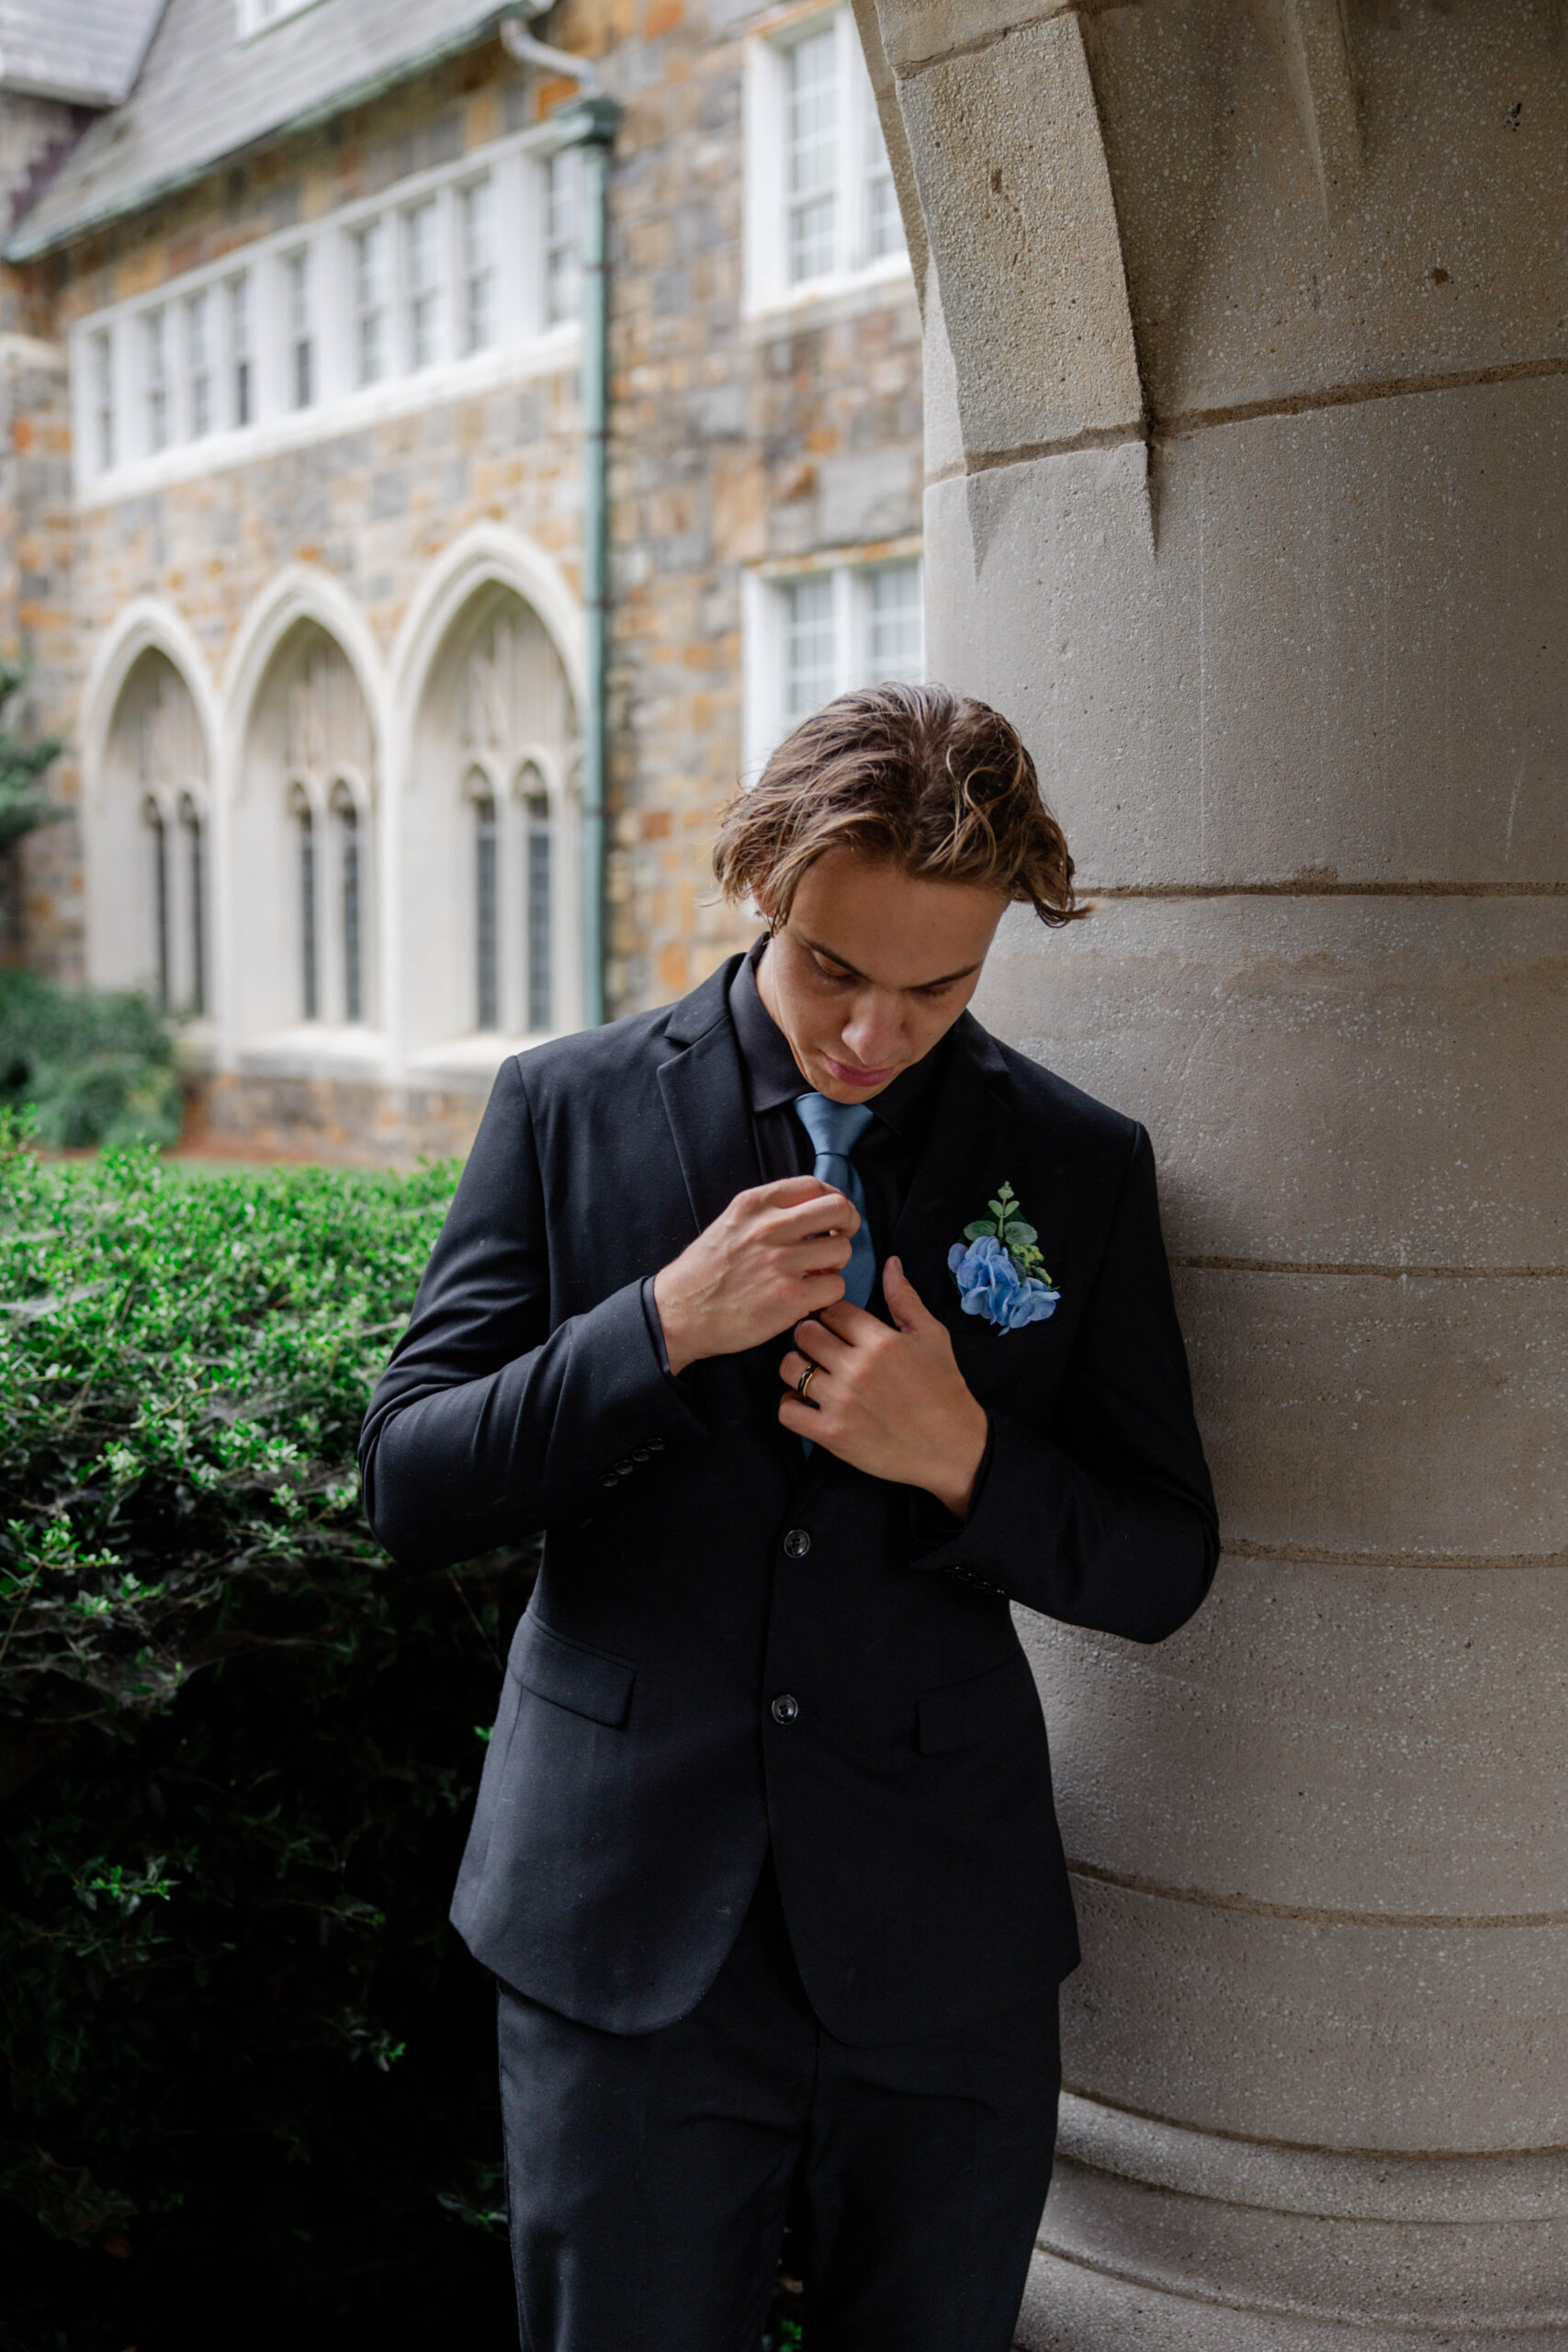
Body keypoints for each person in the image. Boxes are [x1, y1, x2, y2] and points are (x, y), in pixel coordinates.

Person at [359, 682, 1218, 2352]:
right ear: (765, 879)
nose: (870, 1037)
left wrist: (967, 1455)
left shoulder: (1078, 1163)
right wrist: (657, 1327)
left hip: (942, 1947)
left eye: (936, 988)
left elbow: (1163, 1559)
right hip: (620, 1933)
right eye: (835, 968)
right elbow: (408, 1477)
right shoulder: (567, 1105)